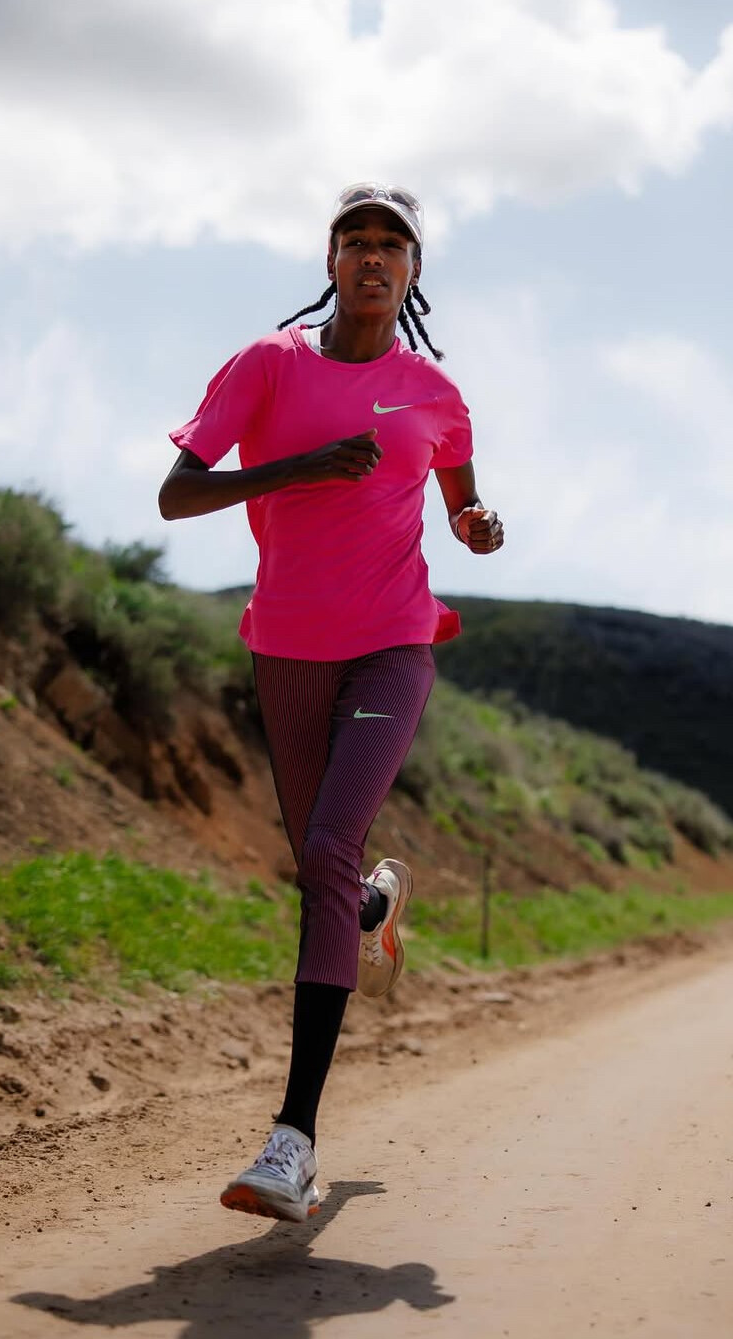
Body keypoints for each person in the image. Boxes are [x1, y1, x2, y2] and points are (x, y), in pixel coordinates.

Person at [158, 182, 504, 1223]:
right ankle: (372, 910)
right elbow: (177, 495)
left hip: (394, 642)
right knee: (323, 871)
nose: (373, 255)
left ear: (414, 271)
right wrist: (302, 466)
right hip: (287, 646)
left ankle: (293, 1143)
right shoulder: (267, 366)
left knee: (325, 846)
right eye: (356, 239)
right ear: (331, 261)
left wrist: (480, 525)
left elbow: (462, 501)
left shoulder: (433, 392)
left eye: (393, 243)